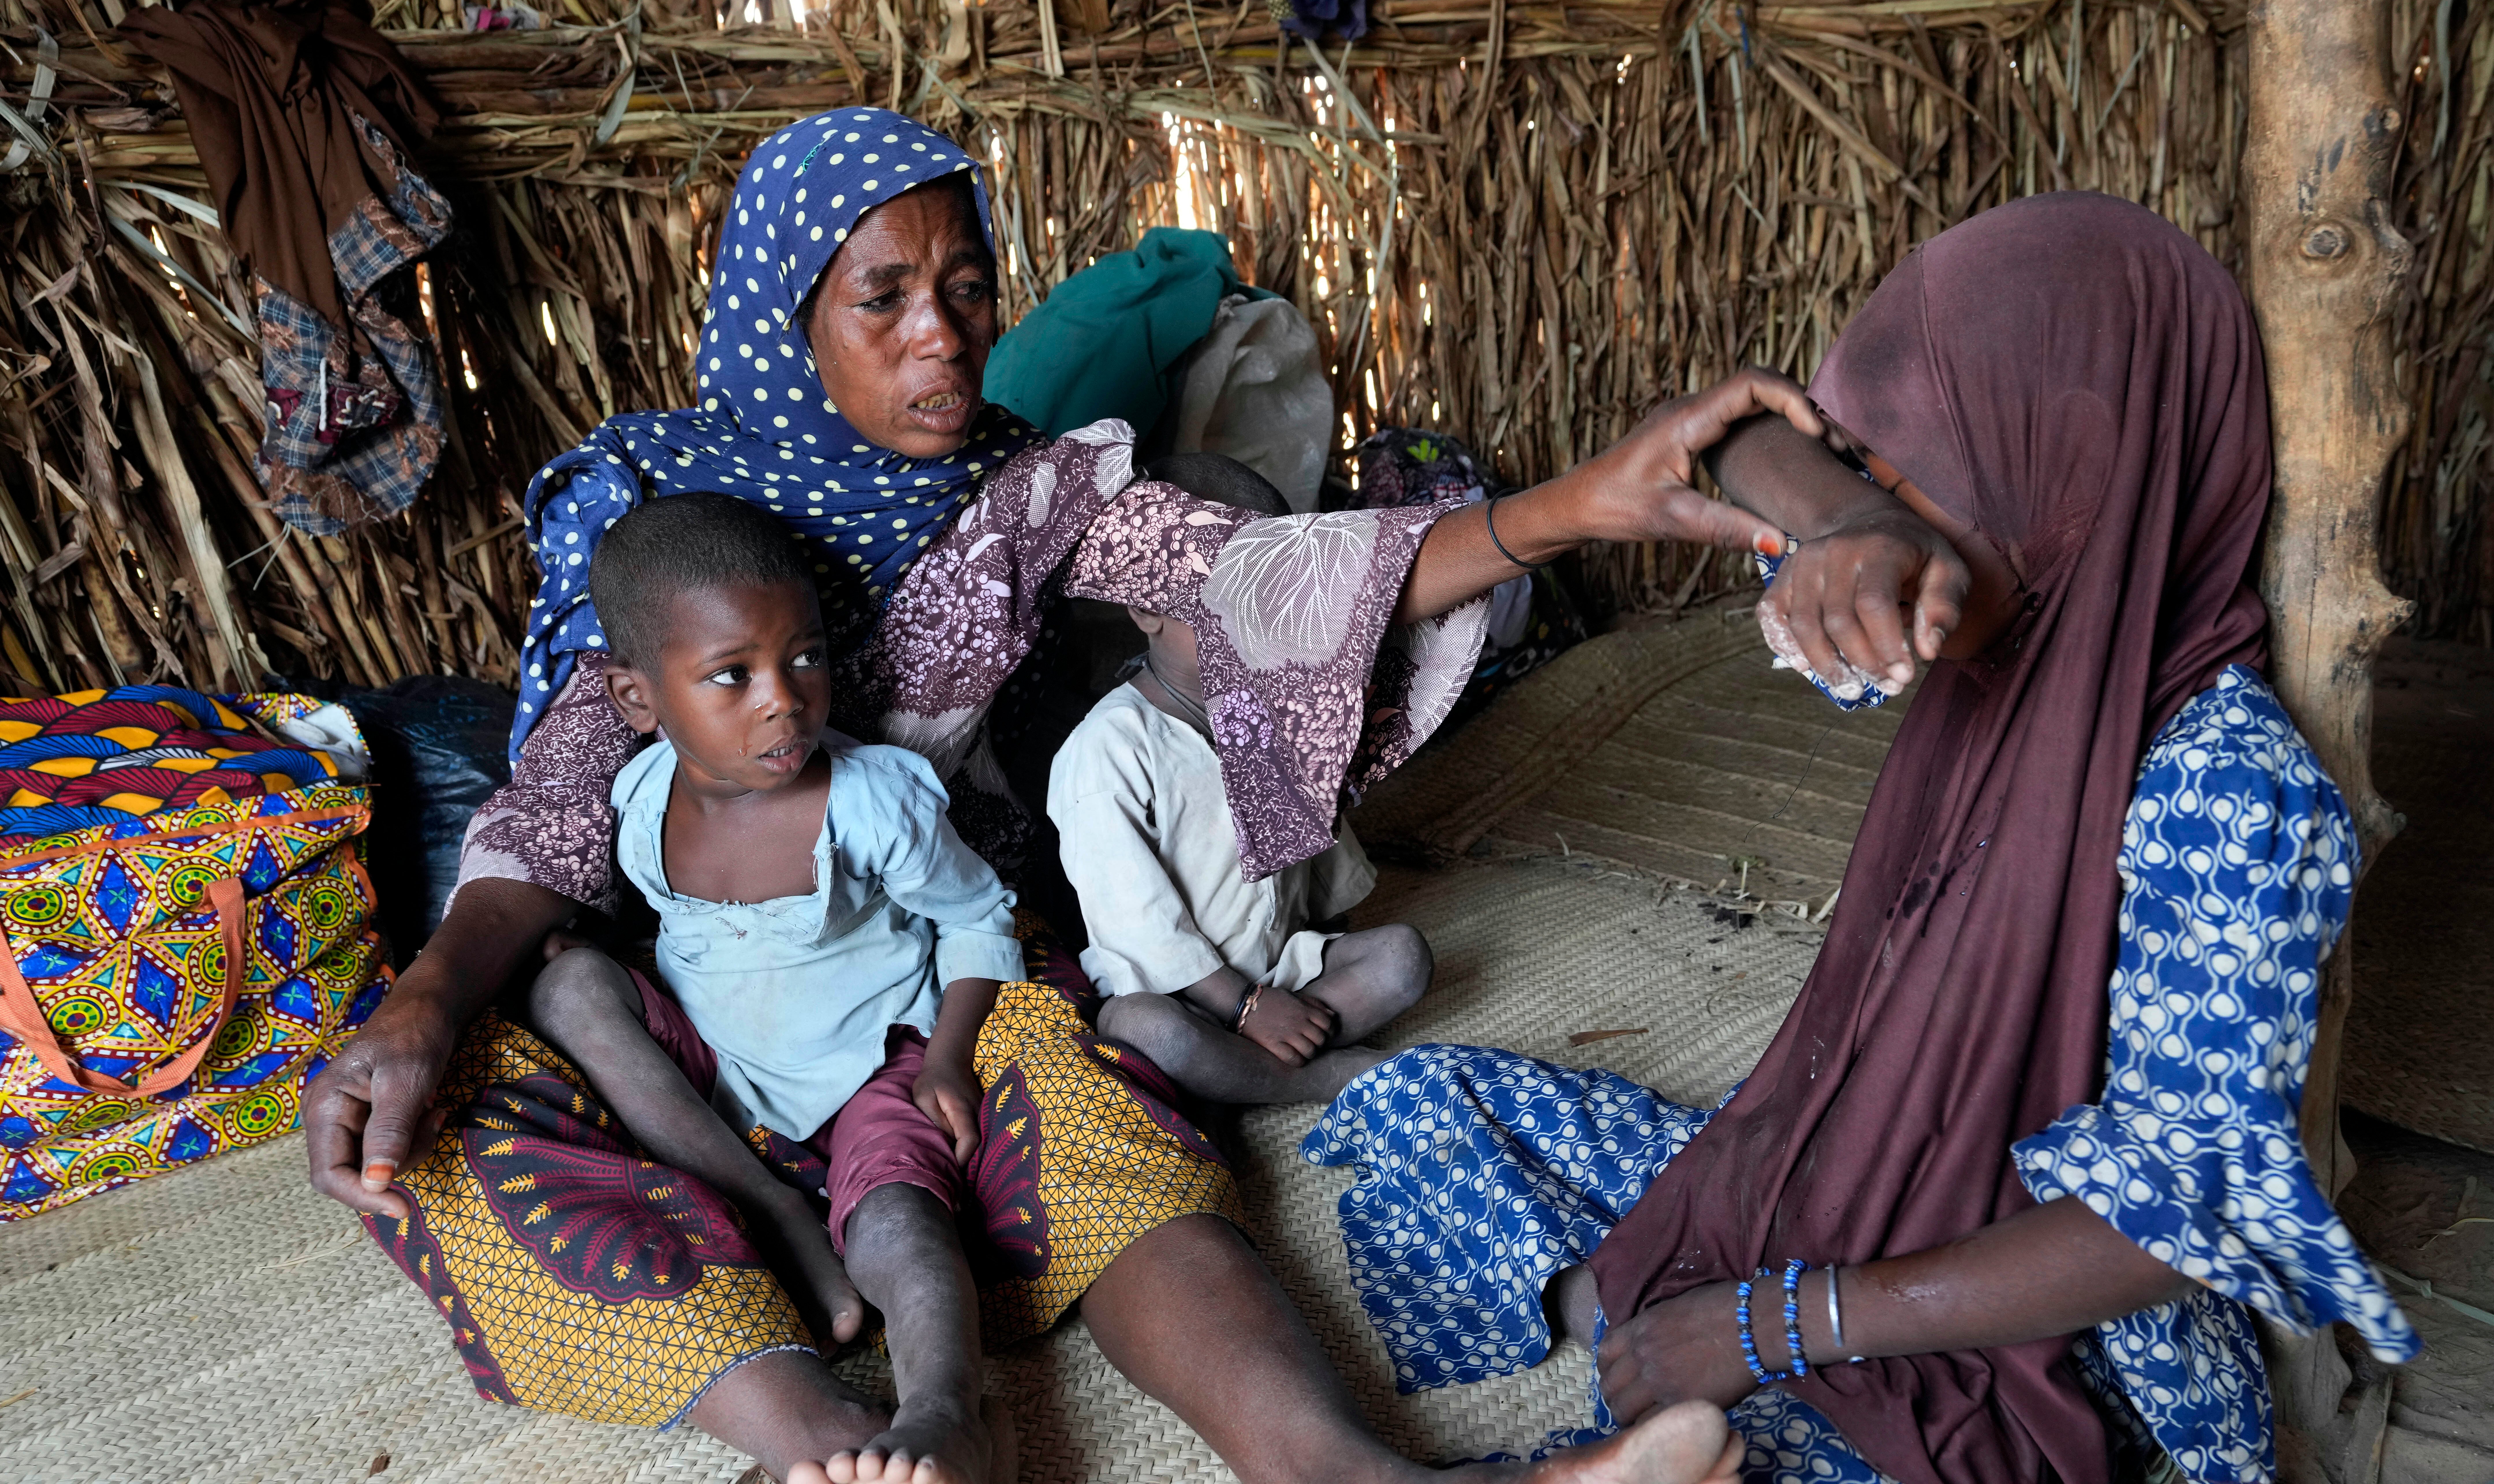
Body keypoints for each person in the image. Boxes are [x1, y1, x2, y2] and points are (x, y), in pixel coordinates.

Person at [302, 103, 1831, 1484]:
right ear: (788, 318)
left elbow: (1259, 581)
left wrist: (1569, 508)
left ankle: (1346, 1480)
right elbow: (561, 808)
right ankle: (835, 1448)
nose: (944, 339)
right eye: (883, 298)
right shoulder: (660, 519)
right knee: (447, 1131)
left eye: (967, 288)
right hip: (695, 1012)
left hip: (932, 988)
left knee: (1086, 1090)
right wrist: (429, 1000)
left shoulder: (1028, 495)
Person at [1303, 193, 2416, 1484]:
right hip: (1851, 1159)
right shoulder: (1967, 623)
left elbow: (2166, 1224)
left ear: (2064, 484)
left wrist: (1776, 1323)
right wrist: (1855, 523)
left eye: (1913, 491)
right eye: (1868, 491)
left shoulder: (2231, 792)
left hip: (2035, 1328)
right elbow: (1747, 442)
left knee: (1757, 1451)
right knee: (1422, 1104)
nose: (1870, 558)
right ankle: (1628, 1330)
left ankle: (1670, 1386)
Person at [525, 491, 1022, 1482]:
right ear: (638, 701)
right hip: (725, 1082)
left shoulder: (873, 801)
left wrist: (952, 1061)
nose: (783, 700)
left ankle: (946, 1412)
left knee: (899, 1221)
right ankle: (776, 1209)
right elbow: (678, 938)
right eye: (730, 675)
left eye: (805, 657)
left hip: (867, 1070)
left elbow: (980, 917)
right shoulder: (638, 796)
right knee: (572, 988)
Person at [1051, 453, 1433, 1105]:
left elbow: (1319, 847)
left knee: (1403, 958)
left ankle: (1245, 1077)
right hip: (1177, 995)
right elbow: (1140, 925)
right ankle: (1313, 1081)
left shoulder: (1270, 716)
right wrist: (1246, 1007)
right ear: (1147, 609)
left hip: (1285, 973)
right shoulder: (1108, 749)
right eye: (1227, 607)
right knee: (1149, 1031)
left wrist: (1306, 975)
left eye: (1274, 605)